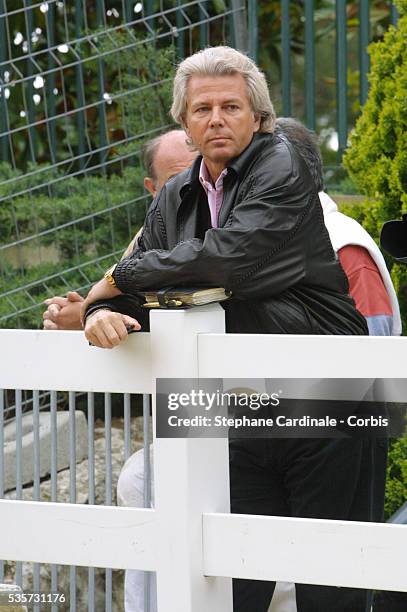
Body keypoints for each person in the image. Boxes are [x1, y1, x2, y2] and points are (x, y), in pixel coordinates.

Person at [80, 45, 384, 612]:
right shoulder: (175, 195)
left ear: (258, 117)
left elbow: (223, 261)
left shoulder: (282, 166)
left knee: (329, 588)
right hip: (234, 409)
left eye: (230, 107)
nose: (215, 119)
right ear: (184, 121)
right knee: (226, 586)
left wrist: (117, 276)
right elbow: (149, 290)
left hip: (327, 398)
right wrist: (102, 312)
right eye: (201, 109)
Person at [42, 130, 197, 330]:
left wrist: (86, 314)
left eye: (197, 174)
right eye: (175, 180)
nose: (190, 187)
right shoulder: (149, 232)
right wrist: (93, 315)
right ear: (153, 189)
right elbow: (132, 301)